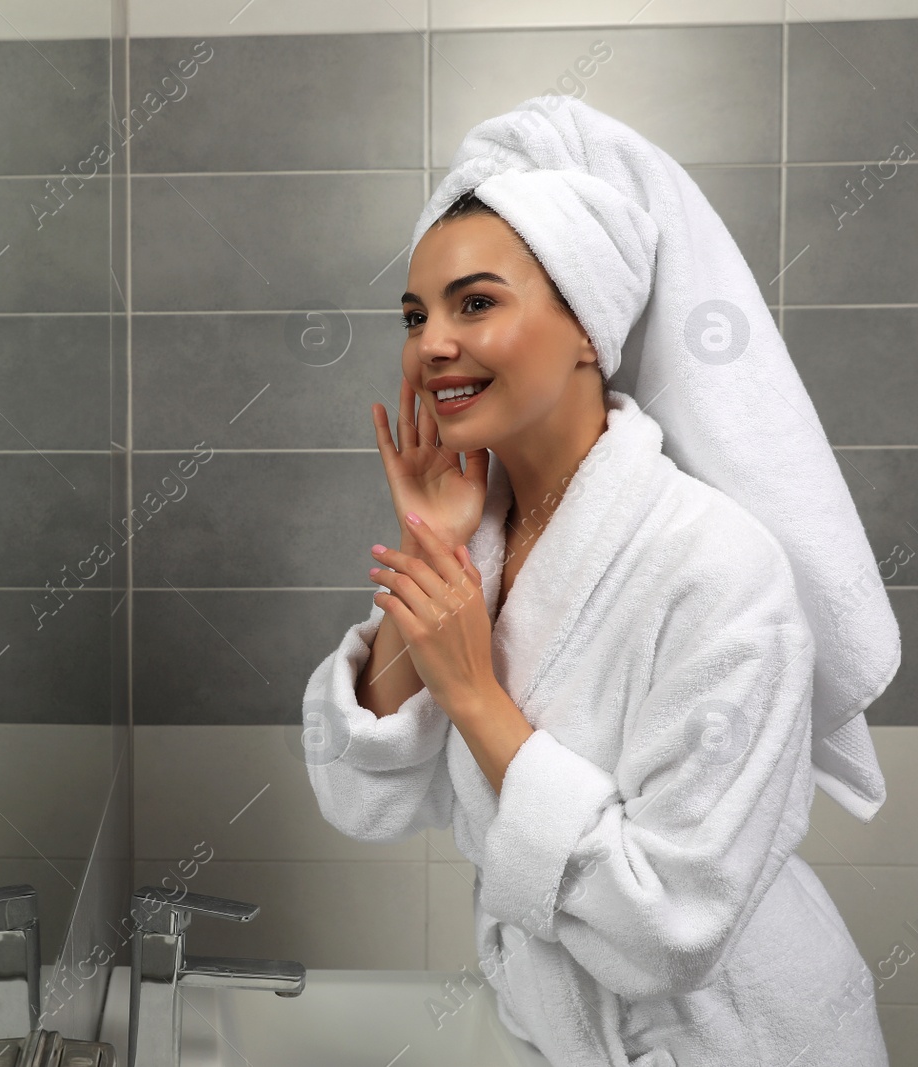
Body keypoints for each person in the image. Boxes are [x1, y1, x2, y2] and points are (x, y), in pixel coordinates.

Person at [303, 96, 895, 1067]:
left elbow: (672, 927)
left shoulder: (717, 567)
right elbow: (362, 798)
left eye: (475, 302)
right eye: (415, 315)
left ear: (587, 326)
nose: (430, 345)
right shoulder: (482, 535)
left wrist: (475, 693)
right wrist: (432, 546)